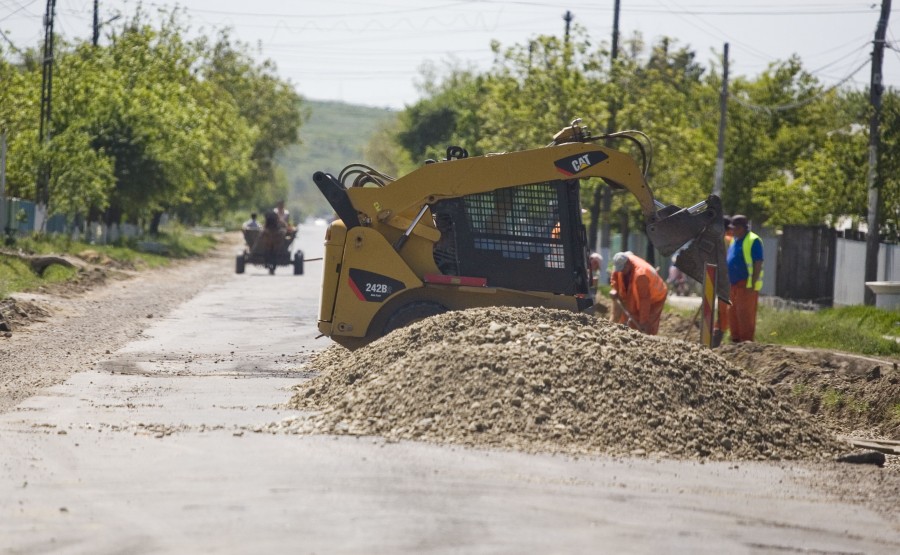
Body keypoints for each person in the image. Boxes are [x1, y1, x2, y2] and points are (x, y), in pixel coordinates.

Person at [609, 251, 668, 335]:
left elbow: (644, 300)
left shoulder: (641, 275)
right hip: (639, 293)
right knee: (629, 316)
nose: (621, 271)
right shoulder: (621, 264)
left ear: (628, 264)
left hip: (655, 296)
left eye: (623, 269)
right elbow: (615, 276)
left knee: (647, 324)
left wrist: (643, 322)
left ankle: (648, 341)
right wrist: (614, 289)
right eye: (620, 269)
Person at [726, 215, 763, 342]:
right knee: (733, 313)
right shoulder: (734, 240)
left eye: (734, 228)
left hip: (746, 284)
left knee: (744, 314)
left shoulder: (753, 240)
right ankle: (735, 339)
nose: (732, 230)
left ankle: (746, 342)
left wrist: (752, 283)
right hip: (733, 284)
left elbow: (758, 262)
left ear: (741, 228)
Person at [713, 215, 734, 347]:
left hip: (721, 278)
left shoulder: (719, 240)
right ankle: (719, 333)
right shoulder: (728, 240)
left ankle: (718, 334)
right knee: (723, 309)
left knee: (722, 309)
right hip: (726, 278)